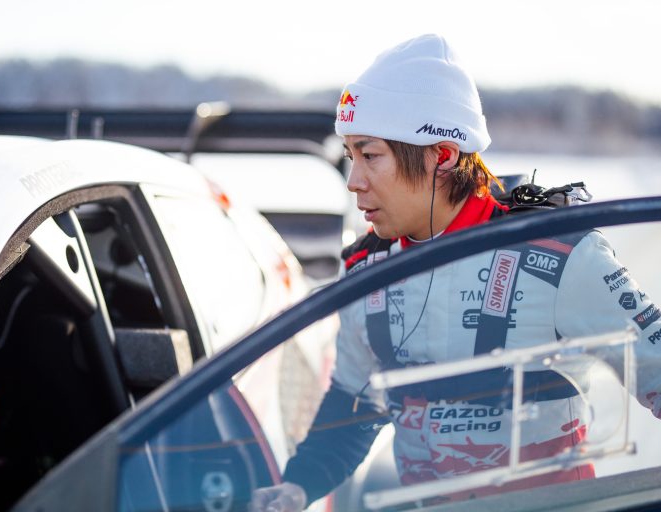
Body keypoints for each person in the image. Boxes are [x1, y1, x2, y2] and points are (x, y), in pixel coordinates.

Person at [250, 34, 661, 511]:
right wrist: (297, 487)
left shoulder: (559, 255)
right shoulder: (366, 271)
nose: (354, 181)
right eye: (350, 156)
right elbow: (354, 407)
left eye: (371, 155)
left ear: (442, 156)